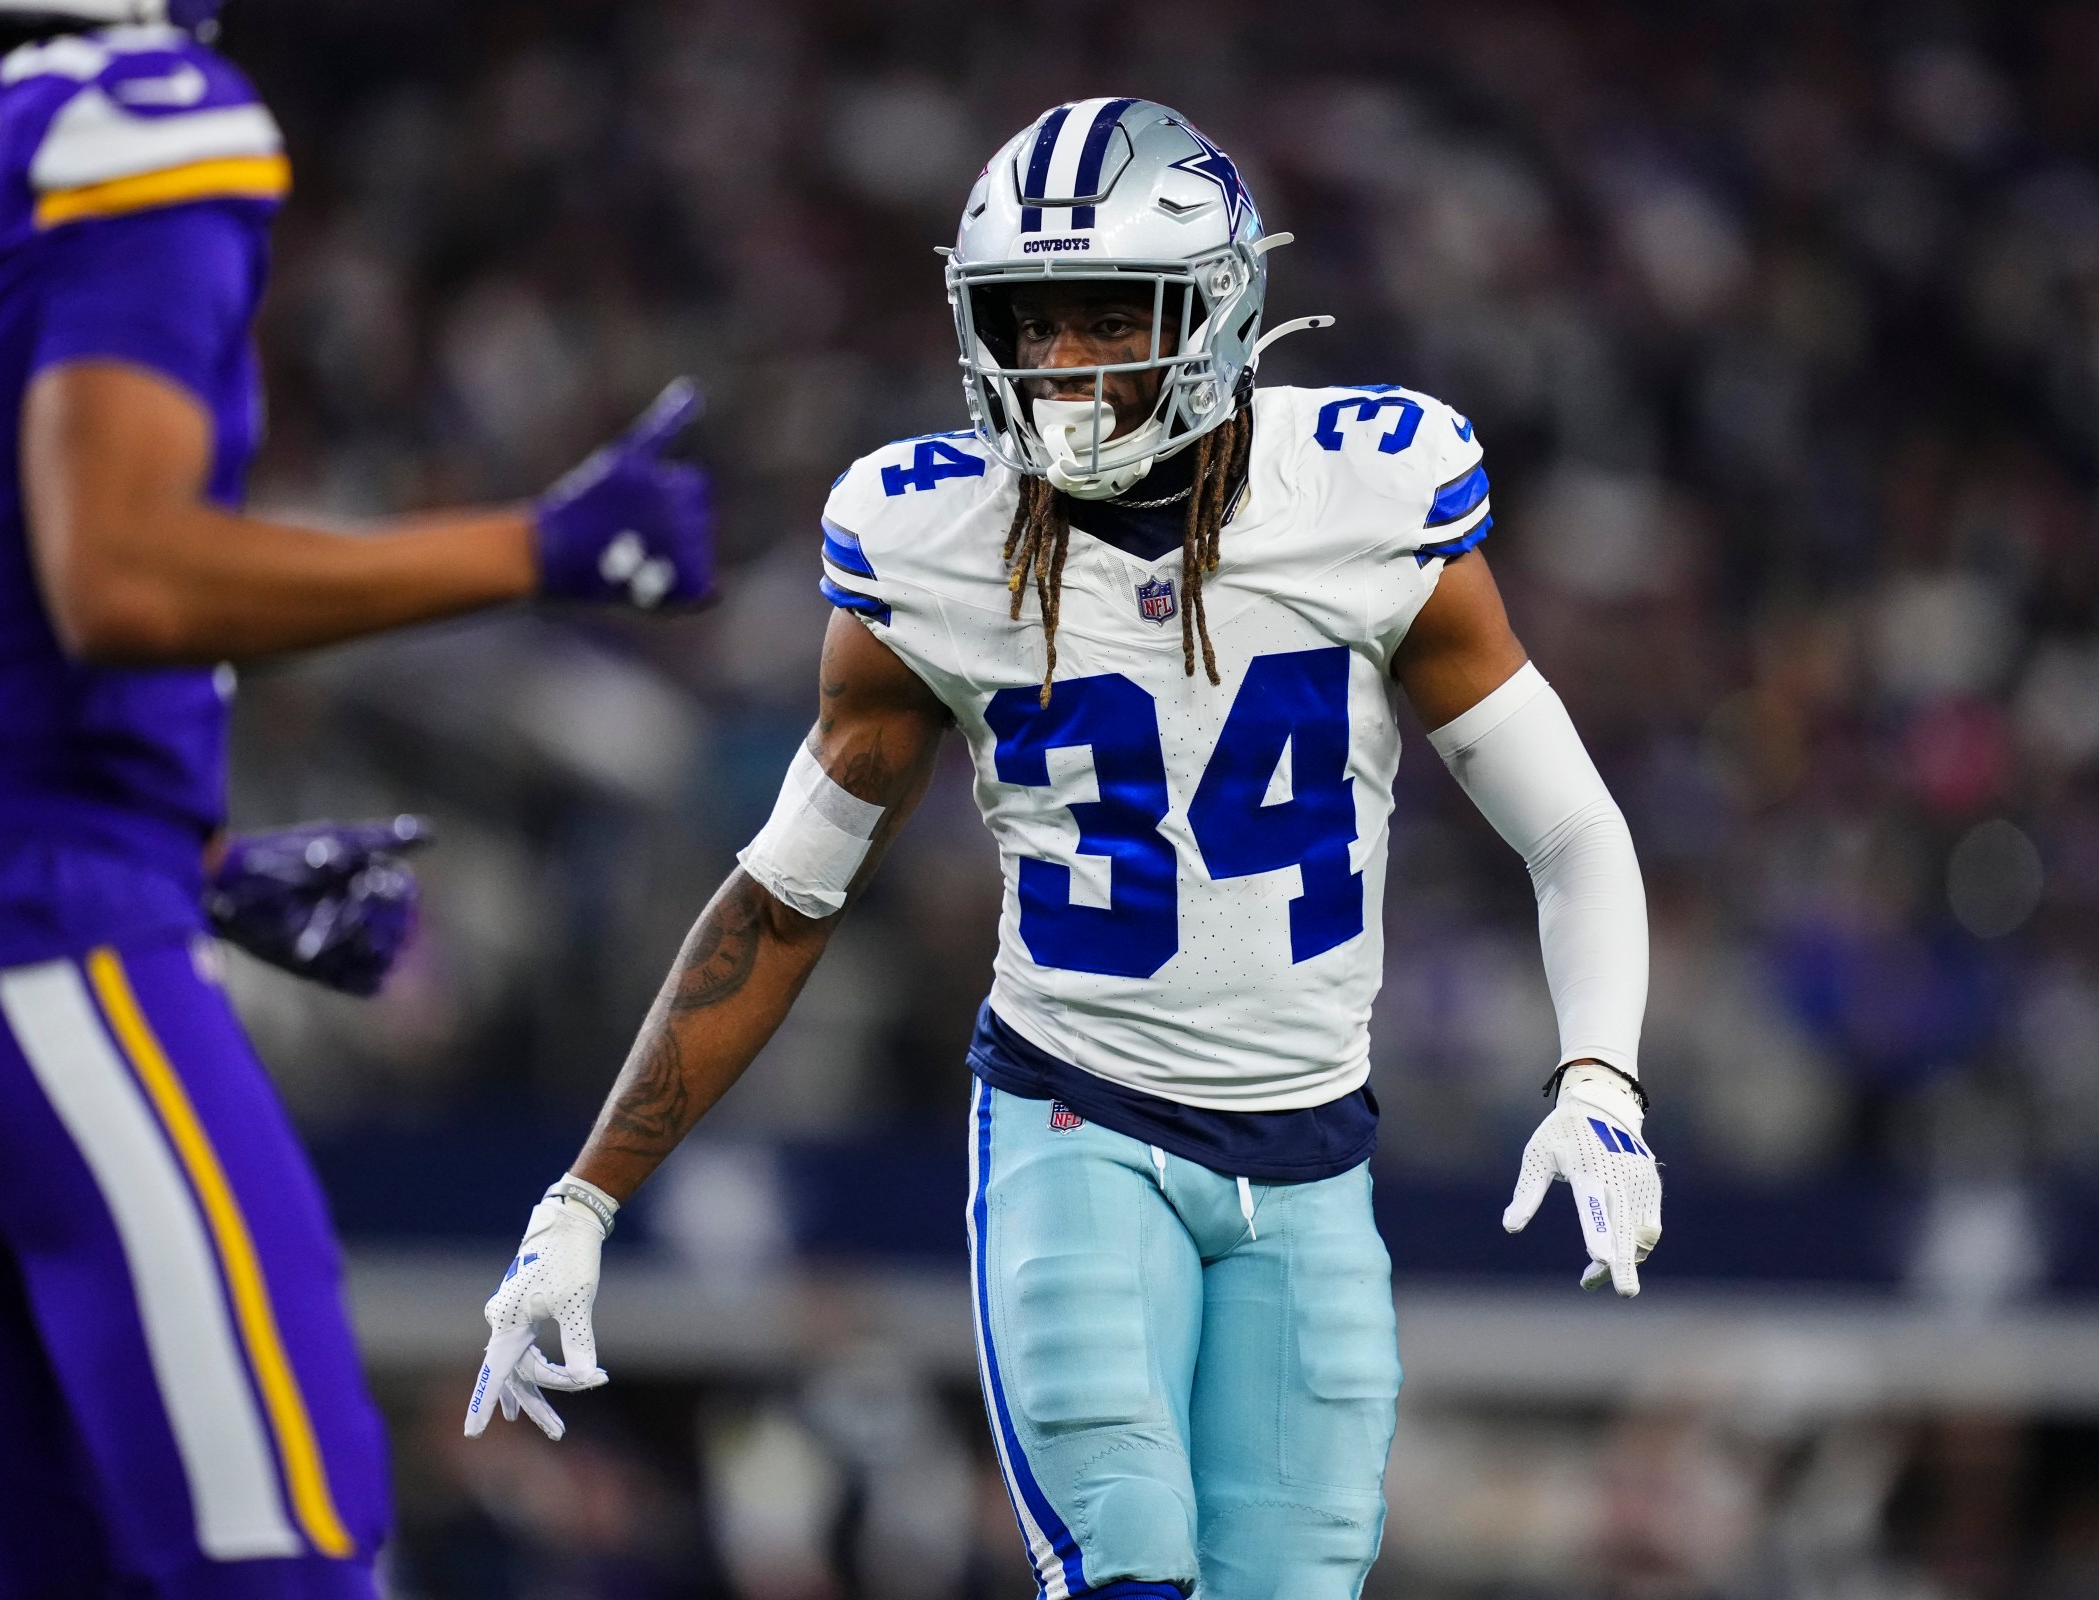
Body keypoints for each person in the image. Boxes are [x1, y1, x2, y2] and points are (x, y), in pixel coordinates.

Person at [468, 97, 1660, 1597]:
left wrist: (1600, 1078)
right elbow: (784, 898)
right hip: (1077, 1120)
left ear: (1219, 311)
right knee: (1129, 1567)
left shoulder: (1365, 497)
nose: (1059, 365)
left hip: (1312, 1154)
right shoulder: (935, 545)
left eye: (1109, 317)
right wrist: (585, 1197)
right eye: (1027, 323)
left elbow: (1570, 827)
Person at [0, 0, 714, 1592]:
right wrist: (533, 548)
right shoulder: (128, 118)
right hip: (35, 946)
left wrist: (184, 859)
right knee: (289, 1568)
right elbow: (116, 577)